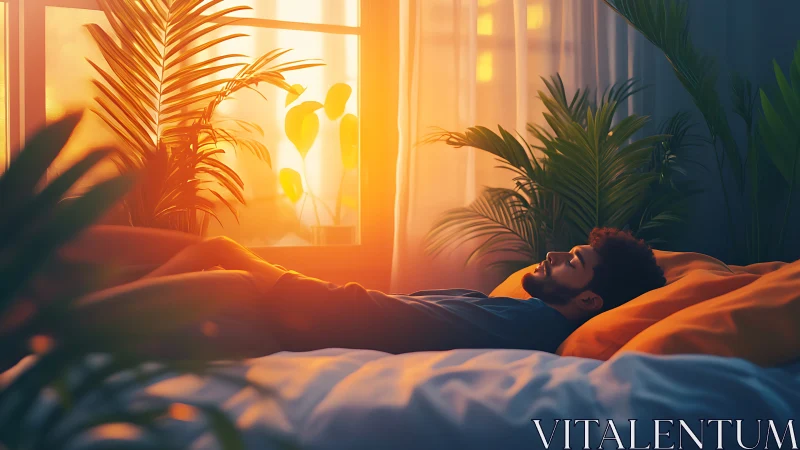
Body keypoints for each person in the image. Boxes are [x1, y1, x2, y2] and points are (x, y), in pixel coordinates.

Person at [52, 226, 666, 359]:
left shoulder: (533, 327)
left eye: (575, 263)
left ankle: (61, 315)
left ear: (589, 302)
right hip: (332, 310)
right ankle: (57, 262)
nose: (556, 255)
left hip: (332, 315)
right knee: (211, 262)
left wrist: (317, 298)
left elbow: (408, 326)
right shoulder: (521, 309)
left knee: (222, 262)